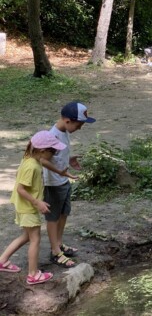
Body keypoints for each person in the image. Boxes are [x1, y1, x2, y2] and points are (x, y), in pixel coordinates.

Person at [0, 131, 66, 285]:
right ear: (43, 151)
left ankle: (2, 261)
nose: (54, 155)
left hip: (24, 206)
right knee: (35, 239)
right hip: (28, 208)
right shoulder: (32, 167)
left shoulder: (30, 159)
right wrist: (38, 202)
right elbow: (20, 189)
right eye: (53, 151)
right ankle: (33, 274)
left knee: (27, 236)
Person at [44, 101, 96, 268]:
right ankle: (55, 252)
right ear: (67, 121)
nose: (80, 128)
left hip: (63, 180)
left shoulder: (64, 131)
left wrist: (69, 159)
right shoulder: (52, 137)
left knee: (64, 213)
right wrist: (60, 171)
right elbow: (43, 160)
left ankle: (59, 244)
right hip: (53, 184)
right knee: (53, 217)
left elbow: (58, 155)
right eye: (79, 125)